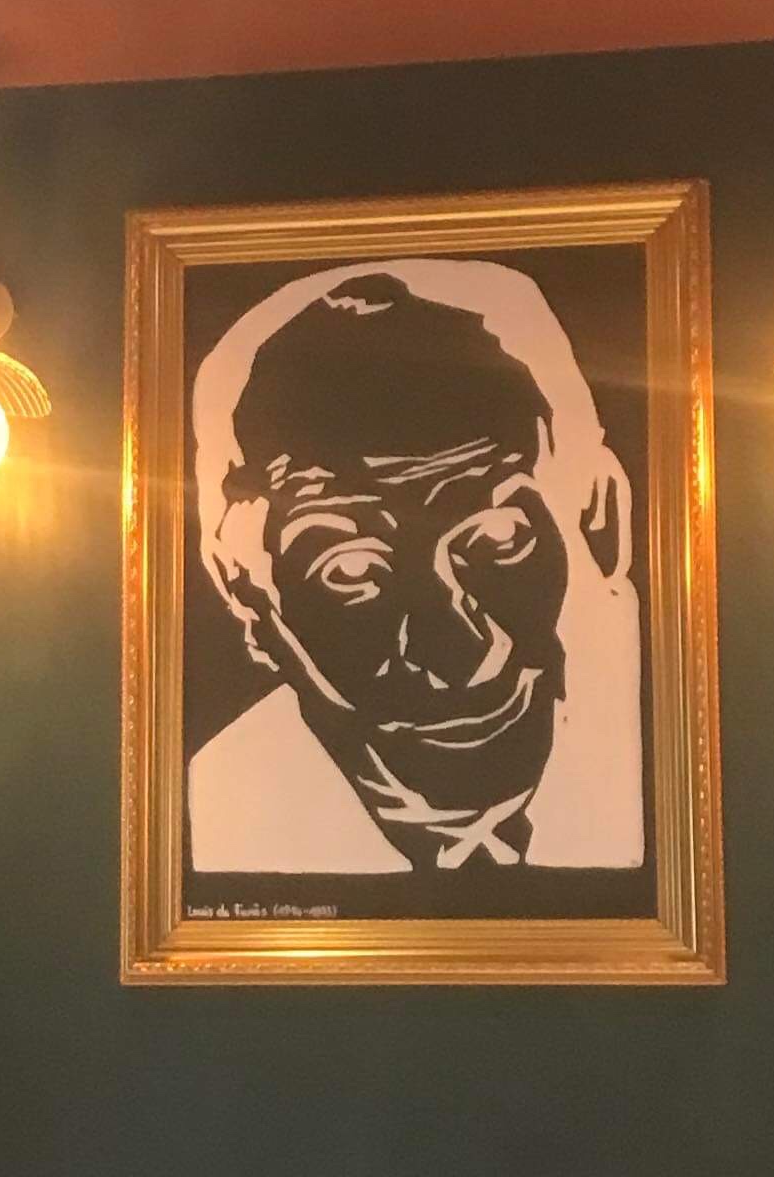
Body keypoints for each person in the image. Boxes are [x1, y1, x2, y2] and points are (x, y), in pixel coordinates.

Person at [187, 258, 644, 875]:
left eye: (498, 538)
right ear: (244, 591)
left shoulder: (680, 763)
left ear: (602, 522)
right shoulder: (222, 818)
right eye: (351, 572)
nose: (454, 650)